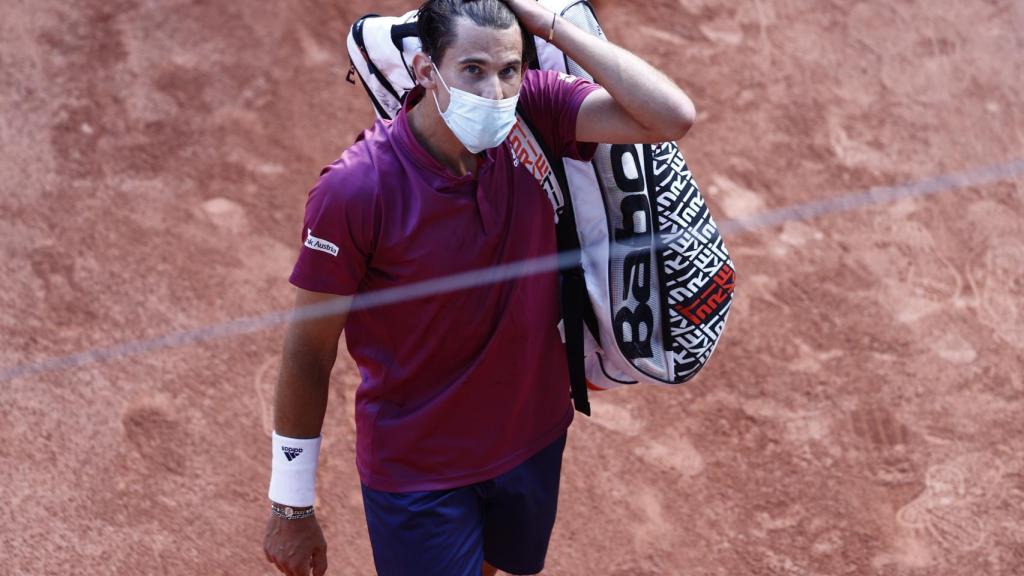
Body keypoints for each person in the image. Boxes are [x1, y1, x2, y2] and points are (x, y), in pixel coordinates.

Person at [262, 0, 696, 574]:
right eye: (472, 69)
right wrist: (291, 505)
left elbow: (670, 116)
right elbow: (308, 352)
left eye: (508, 69)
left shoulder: (534, 110)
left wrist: (553, 29)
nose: (494, 92)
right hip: (421, 470)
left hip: (533, 437)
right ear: (424, 69)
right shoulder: (356, 190)